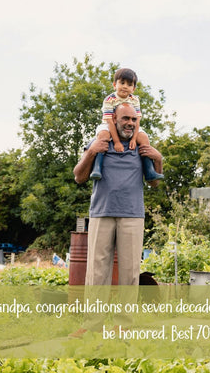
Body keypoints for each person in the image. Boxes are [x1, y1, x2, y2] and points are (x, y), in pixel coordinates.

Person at [70, 103, 163, 337]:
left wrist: (158, 159)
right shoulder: (100, 141)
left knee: (129, 272)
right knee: (96, 270)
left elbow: (154, 182)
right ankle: (91, 324)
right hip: (101, 212)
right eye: (125, 119)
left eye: (134, 119)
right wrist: (91, 152)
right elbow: (79, 177)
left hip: (132, 214)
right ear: (114, 119)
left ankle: (123, 325)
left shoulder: (141, 144)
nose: (130, 123)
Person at [89, 68, 163, 182]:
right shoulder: (109, 100)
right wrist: (117, 142)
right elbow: (110, 121)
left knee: (143, 137)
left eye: (129, 84)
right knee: (103, 135)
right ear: (114, 85)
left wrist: (134, 139)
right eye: (122, 83)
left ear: (133, 88)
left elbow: (137, 120)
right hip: (109, 125)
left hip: (129, 125)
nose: (125, 86)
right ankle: (97, 167)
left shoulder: (134, 100)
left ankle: (149, 170)